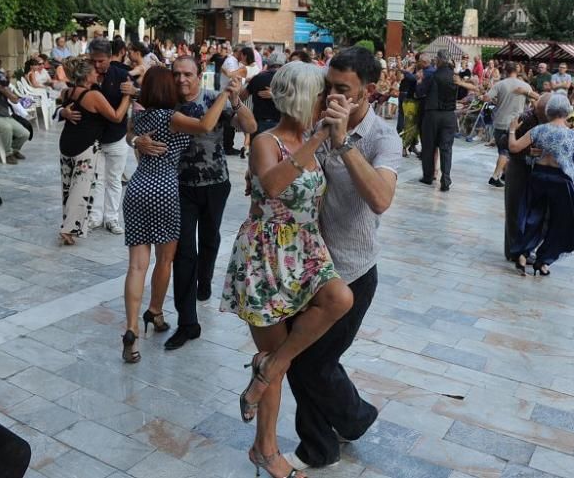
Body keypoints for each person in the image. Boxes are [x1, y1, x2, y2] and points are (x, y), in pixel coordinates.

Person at [220, 62, 354, 478]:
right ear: (301, 98)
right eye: (320, 95)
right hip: (265, 256)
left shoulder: (322, 142)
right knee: (272, 358)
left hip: (305, 248)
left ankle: (271, 368)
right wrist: (315, 139)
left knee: (339, 298)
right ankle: (266, 450)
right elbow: (273, 185)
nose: (325, 102)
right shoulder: (267, 140)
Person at [285, 46, 400, 471]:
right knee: (304, 360)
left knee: (310, 361)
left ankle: (340, 430)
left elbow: (381, 199)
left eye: (342, 90)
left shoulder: (383, 139)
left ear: (368, 92)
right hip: (308, 266)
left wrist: (343, 143)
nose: (331, 96)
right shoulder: (314, 122)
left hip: (353, 272)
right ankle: (337, 431)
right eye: (327, 87)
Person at [134, 56, 256, 350]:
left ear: (200, 75)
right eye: (176, 74)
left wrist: (236, 99)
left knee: (210, 239)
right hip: (178, 188)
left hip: (215, 184)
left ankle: (205, 280)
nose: (181, 80)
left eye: (187, 74)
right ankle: (188, 322)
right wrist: (136, 141)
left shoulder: (215, 98)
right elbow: (134, 128)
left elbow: (250, 125)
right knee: (184, 253)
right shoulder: (165, 104)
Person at [508, 94, 574, 275]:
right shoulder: (572, 136)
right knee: (562, 223)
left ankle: (522, 253)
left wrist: (512, 130)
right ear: (567, 112)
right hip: (560, 181)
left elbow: (514, 147)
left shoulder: (539, 130)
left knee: (532, 216)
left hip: (538, 176)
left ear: (549, 110)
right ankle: (544, 261)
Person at [57, 57, 133, 245]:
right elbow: (116, 117)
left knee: (68, 187)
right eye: (93, 71)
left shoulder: (68, 91)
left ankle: (69, 225)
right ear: (86, 76)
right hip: (84, 147)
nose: (96, 73)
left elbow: (59, 104)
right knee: (81, 188)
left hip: (66, 143)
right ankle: (69, 230)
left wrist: (62, 111)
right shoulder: (93, 96)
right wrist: (127, 97)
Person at [504, 93, 551, 262]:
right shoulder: (526, 118)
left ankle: (525, 249)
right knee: (515, 210)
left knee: (538, 213)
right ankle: (513, 251)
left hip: (539, 171)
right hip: (519, 167)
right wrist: (527, 150)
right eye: (541, 114)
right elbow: (505, 142)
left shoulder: (551, 121)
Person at [487, 61, 535, 188]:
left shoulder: (500, 84)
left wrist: (497, 100)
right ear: (517, 71)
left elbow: (487, 98)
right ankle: (496, 175)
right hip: (516, 122)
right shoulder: (525, 86)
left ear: (505, 71)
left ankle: (503, 174)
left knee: (502, 150)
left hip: (500, 121)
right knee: (506, 151)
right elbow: (535, 101)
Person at [417, 51, 458, 191]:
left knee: (429, 147)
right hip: (449, 115)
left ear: (440, 60)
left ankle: (428, 176)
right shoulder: (454, 77)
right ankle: (446, 178)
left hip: (432, 114)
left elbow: (420, 92)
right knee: (446, 148)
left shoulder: (432, 75)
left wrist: (419, 81)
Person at [242, 51, 285, 136]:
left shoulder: (258, 77)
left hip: (259, 123)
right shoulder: (288, 80)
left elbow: (242, 97)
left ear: (268, 64)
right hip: (281, 124)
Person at [397, 60, 421, 157]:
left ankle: (413, 145)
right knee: (409, 125)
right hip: (407, 99)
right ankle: (404, 146)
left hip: (417, 101)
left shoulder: (421, 73)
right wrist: (406, 69)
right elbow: (402, 78)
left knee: (416, 126)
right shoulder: (409, 74)